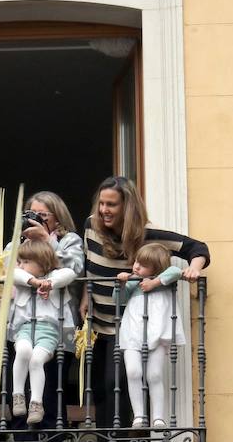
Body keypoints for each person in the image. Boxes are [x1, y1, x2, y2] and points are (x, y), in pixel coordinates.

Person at [80, 176, 209, 428]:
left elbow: (197, 247)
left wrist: (193, 270)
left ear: (127, 207)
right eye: (101, 204)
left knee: (118, 385)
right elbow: (87, 262)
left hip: (130, 327)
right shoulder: (90, 226)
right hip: (98, 324)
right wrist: (86, 292)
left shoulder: (150, 236)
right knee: (101, 391)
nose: (103, 210)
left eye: (111, 205)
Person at [116, 243, 186, 429]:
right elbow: (119, 300)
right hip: (133, 331)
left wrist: (154, 282)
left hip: (157, 331)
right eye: (137, 262)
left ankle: (158, 417)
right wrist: (122, 284)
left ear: (156, 269)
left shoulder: (165, 280)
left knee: (154, 374)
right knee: (133, 371)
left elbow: (176, 271)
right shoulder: (133, 281)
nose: (136, 267)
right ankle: (138, 415)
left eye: (143, 265)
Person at [8, 241, 75, 425]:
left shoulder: (55, 277)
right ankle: (18, 395)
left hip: (48, 332)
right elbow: (12, 272)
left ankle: (36, 403)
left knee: (37, 360)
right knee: (22, 352)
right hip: (24, 329)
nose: (20, 265)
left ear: (42, 263)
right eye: (19, 261)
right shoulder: (22, 278)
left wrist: (48, 284)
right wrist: (33, 281)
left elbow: (70, 273)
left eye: (25, 261)